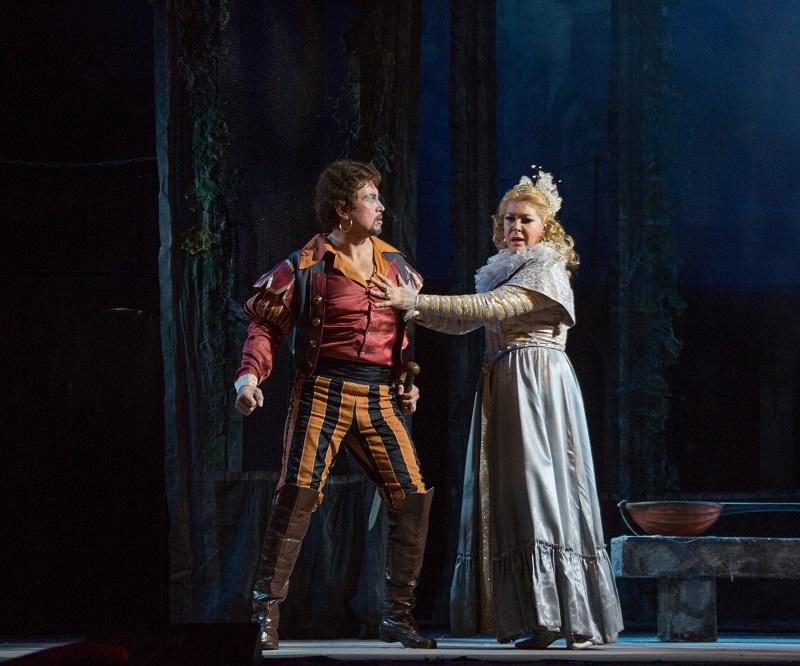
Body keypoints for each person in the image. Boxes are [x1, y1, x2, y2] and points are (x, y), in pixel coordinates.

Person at [371, 169, 623, 649]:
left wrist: (414, 299)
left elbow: (490, 308)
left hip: (537, 381)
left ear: (546, 226)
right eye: (508, 218)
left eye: (526, 219)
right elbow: (465, 321)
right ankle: (543, 616)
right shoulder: (506, 268)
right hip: (507, 380)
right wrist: (410, 309)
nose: (515, 227)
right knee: (517, 496)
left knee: (543, 490)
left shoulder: (545, 268)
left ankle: (573, 617)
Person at [234, 160, 436, 650]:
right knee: (297, 496)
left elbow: (399, 336)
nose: (380, 206)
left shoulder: (396, 266)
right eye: (370, 198)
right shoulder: (306, 266)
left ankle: (398, 616)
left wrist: (406, 381)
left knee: (412, 497)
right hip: (324, 390)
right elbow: (265, 325)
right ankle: (264, 615)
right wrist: (249, 377)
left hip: (380, 397)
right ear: (343, 210)